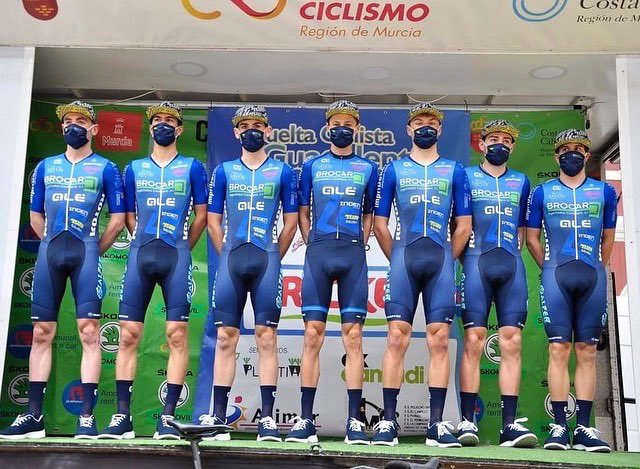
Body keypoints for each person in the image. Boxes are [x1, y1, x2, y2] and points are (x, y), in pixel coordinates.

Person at [0, 101, 125, 440]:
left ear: (94, 129)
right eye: (68, 120)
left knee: (89, 332)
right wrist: (51, 245)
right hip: (49, 253)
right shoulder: (45, 166)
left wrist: (92, 250)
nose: (73, 125)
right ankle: (33, 415)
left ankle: (86, 416)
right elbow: (35, 216)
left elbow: (117, 220)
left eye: (81, 121)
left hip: (86, 251)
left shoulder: (106, 168)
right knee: (41, 333)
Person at [100, 101, 208, 440]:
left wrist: (183, 247)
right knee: (128, 335)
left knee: (176, 335)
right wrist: (140, 240)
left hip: (176, 254)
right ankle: (122, 417)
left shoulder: (193, 167)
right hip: (140, 254)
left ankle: (168, 417)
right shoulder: (133, 169)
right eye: (157, 120)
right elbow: (128, 215)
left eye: (169, 120)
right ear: (150, 128)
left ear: (179, 129)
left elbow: (202, 215)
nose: (163, 124)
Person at [371, 102, 472, 447]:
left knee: (439, 340)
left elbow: (464, 225)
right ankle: (387, 421)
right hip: (404, 258)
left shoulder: (454, 171)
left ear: (440, 129)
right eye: (419, 121)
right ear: (409, 129)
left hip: (440, 260)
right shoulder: (394, 169)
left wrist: (446, 257)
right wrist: (398, 256)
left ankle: (436, 424)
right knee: (395, 338)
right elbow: (380, 224)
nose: (425, 126)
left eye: (432, 121)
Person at [199, 105, 298, 442]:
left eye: (258, 125)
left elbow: (291, 222)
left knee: (266, 338)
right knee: (226, 337)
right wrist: (227, 250)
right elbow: (212, 220)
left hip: (266, 259)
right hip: (232, 259)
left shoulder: (283, 172)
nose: (251, 130)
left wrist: (273, 254)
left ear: (268, 131)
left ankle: (267, 418)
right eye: (245, 126)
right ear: (236, 132)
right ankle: (218, 416)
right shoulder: (224, 171)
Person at [285, 100, 378, 445]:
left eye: (348, 123)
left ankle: (355, 421)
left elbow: (369, 213)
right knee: (312, 334)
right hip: (319, 253)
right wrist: (311, 239)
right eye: (336, 123)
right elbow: (303, 210)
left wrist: (362, 240)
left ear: (357, 128)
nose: (342, 128)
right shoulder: (311, 166)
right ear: (327, 128)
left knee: (354, 338)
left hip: (353, 254)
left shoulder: (368, 168)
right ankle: (305, 419)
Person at [526, 129, 616, 453]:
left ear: (588, 154)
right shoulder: (542, 192)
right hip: (556, 277)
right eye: (565, 149)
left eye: (579, 148)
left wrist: (597, 266)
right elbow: (531, 238)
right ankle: (560, 427)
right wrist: (550, 267)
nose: (572, 153)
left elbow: (608, 237)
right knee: (558, 349)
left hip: (592, 276)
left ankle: (585, 429)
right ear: (556, 156)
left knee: (587, 351)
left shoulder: (604, 192)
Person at [457, 120, 537, 448]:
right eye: (493, 139)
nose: (499, 144)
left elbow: (523, 232)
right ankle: (466, 421)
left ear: (513, 146)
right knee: (474, 340)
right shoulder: (466, 176)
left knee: (512, 342)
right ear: (482, 144)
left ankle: (509, 426)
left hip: (511, 265)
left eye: (506, 140)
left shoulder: (522, 181)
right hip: (476, 263)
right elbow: (458, 224)